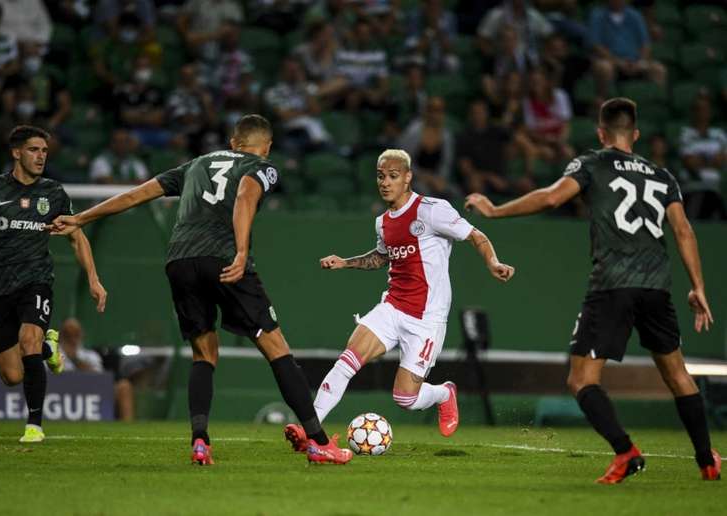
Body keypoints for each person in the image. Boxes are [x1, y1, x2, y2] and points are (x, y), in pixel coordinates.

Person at [49, 114, 352, 466]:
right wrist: (241, 251)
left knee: (203, 355)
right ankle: (317, 442)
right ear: (265, 147)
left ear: (232, 142)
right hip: (222, 258)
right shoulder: (262, 167)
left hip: (179, 261)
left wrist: (81, 217)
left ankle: (200, 442)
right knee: (277, 349)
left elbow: (138, 193)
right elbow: (244, 197)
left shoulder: (196, 164)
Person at [465, 98, 721, 483]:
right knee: (678, 376)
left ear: (601, 133)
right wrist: (698, 286)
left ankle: (625, 451)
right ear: (634, 134)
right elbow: (683, 230)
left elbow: (552, 196)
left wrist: (496, 210)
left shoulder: (592, 163)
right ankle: (707, 462)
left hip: (612, 284)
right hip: (656, 287)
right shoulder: (662, 175)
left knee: (582, 380)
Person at [283, 149, 515, 452]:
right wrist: (345, 262)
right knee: (347, 360)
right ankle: (310, 430)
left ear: (408, 178)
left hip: (427, 320)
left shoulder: (432, 210)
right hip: (392, 307)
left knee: (405, 398)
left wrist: (493, 262)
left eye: (393, 176)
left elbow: (475, 235)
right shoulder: (382, 222)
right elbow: (382, 256)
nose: (385, 182)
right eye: (381, 176)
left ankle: (444, 394)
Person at [0, 125, 107, 443]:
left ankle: (34, 425)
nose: (40, 157)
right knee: (11, 375)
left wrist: (94, 279)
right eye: (34, 150)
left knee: (29, 340)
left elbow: (77, 238)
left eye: (44, 151)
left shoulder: (53, 193)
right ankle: (50, 347)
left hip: (36, 280)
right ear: (16, 152)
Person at [58, 317, 135, 422]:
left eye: (75, 333)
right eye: (68, 334)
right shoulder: (51, 354)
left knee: (124, 386)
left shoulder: (91, 356)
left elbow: (99, 380)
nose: (72, 337)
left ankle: (128, 429)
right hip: (61, 395)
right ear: (62, 335)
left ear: (81, 334)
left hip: (90, 394)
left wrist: (74, 358)